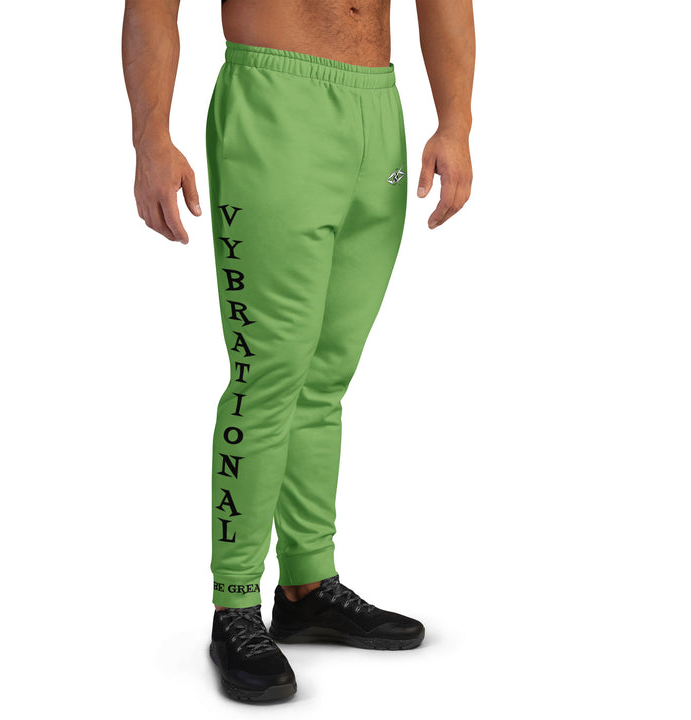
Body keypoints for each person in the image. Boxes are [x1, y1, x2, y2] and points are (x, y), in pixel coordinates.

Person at [122, 0, 474, 703]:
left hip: (379, 111)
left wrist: (456, 122)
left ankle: (308, 587)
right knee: (268, 374)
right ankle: (234, 606)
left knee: (325, 379)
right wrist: (151, 138)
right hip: (274, 103)